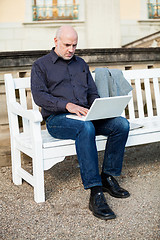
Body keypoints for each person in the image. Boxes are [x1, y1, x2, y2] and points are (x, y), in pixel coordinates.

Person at [31, 25, 130, 220]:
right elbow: (39, 96)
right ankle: (96, 192)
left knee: (121, 124)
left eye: (74, 45)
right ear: (55, 41)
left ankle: (108, 177)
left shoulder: (81, 63)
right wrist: (67, 105)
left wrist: (100, 107)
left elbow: (92, 92)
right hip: (58, 119)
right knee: (86, 128)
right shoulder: (41, 66)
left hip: (87, 116)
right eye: (67, 45)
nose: (71, 49)